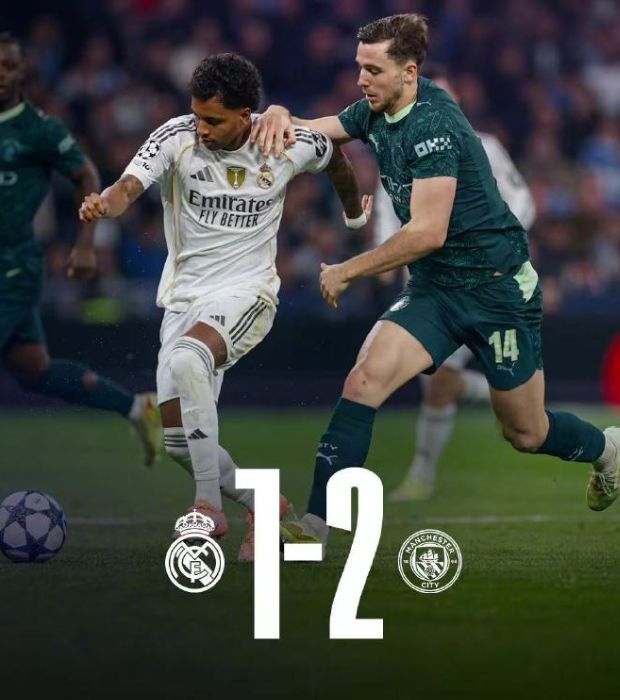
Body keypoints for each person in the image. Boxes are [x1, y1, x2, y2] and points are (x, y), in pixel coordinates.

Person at [251, 13, 620, 550]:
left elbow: (427, 232)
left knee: (526, 432)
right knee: (363, 382)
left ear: (409, 72)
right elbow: (319, 128)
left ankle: (609, 452)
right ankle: (314, 526)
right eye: (359, 67)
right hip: (436, 291)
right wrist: (280, 113)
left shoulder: (434, 126)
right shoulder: (379, 107)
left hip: (497, 292)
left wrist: (349, 270)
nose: (361, 79)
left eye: (373, 70)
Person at [79, 52, 369, 561]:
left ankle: (207, 507)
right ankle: (263, 503)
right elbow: (129, 185)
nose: (202, 128)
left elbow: (336, 159)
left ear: (245, 115)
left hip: (247, 293)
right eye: (197, 115)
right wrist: (106, 203)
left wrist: (353, 217)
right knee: (178, 443)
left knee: (189, 358)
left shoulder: (283, 143)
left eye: (213, 120)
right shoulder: (176, 137)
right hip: (183, 299)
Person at [374, 64, 537, 501]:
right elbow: (388, 211)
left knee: (443, 383)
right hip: (429, 284)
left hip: (483, 282)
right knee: (436, 381)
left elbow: (522, 200)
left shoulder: (485, 146)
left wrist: (496, 244)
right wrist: (383, 256)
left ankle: (422, 475)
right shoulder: (398, 152)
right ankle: (425, 472)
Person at [0, 32, 161, 466]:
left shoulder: (39, 130)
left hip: (11, 269)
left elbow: (86, 176)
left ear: (21, 73)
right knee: (33, 368)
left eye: (9, 65)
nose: (1, 73)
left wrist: (85, 244)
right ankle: (136, 408)